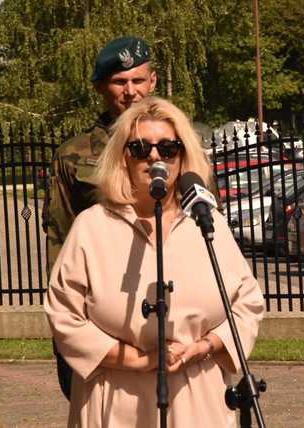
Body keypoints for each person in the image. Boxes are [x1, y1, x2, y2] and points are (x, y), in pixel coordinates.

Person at [44, 96, 265, 427]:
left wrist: (205, 346)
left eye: (168, 149)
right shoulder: (92, 226)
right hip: (114, 398)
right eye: (140, 149)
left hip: (197, 396)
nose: (154, 157)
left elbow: (247, 303)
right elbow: (63, 315)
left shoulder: (207, 221)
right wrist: (137, 361)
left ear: (183, 156)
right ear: (123, 158)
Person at [42, 36, 157, 400]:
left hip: (167, 304)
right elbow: (60, 238)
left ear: (153, 82)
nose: (130, 92)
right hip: (101, 310)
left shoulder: (180, 145)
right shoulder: (74, 155)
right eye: (119, 82)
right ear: (100, 87)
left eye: (138, 81)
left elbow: (208, 230)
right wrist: (69, 321)